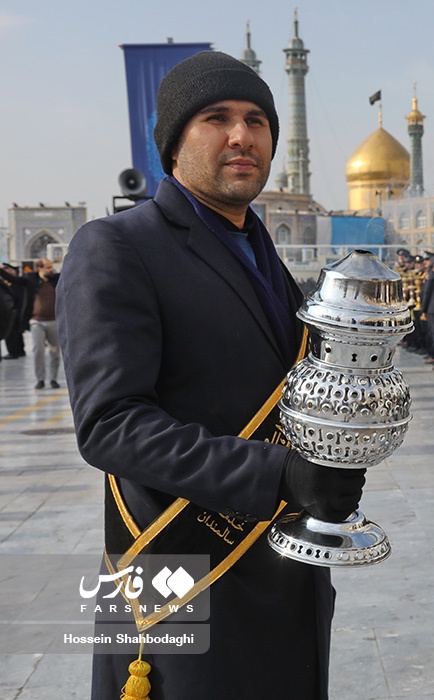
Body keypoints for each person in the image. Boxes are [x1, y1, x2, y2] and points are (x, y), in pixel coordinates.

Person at [57, 51, 366, 698]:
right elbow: (111, 425)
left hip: (283, 581)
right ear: (173, 142)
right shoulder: (120, 246)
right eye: (216, 118)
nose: (241, 136)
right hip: (182, 583)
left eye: (257, 120)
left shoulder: (262, 254)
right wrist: (278, 474)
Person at [28, 258, 61, 388]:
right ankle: (40, 379)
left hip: (54, 321)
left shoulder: (56, 280)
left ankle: (53, 378)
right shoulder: (32, 281)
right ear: (39, 269)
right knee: (38, 350)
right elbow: (16, 280)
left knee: (55, 351)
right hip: (37, 322)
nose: (51, 269)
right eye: (48, 267)